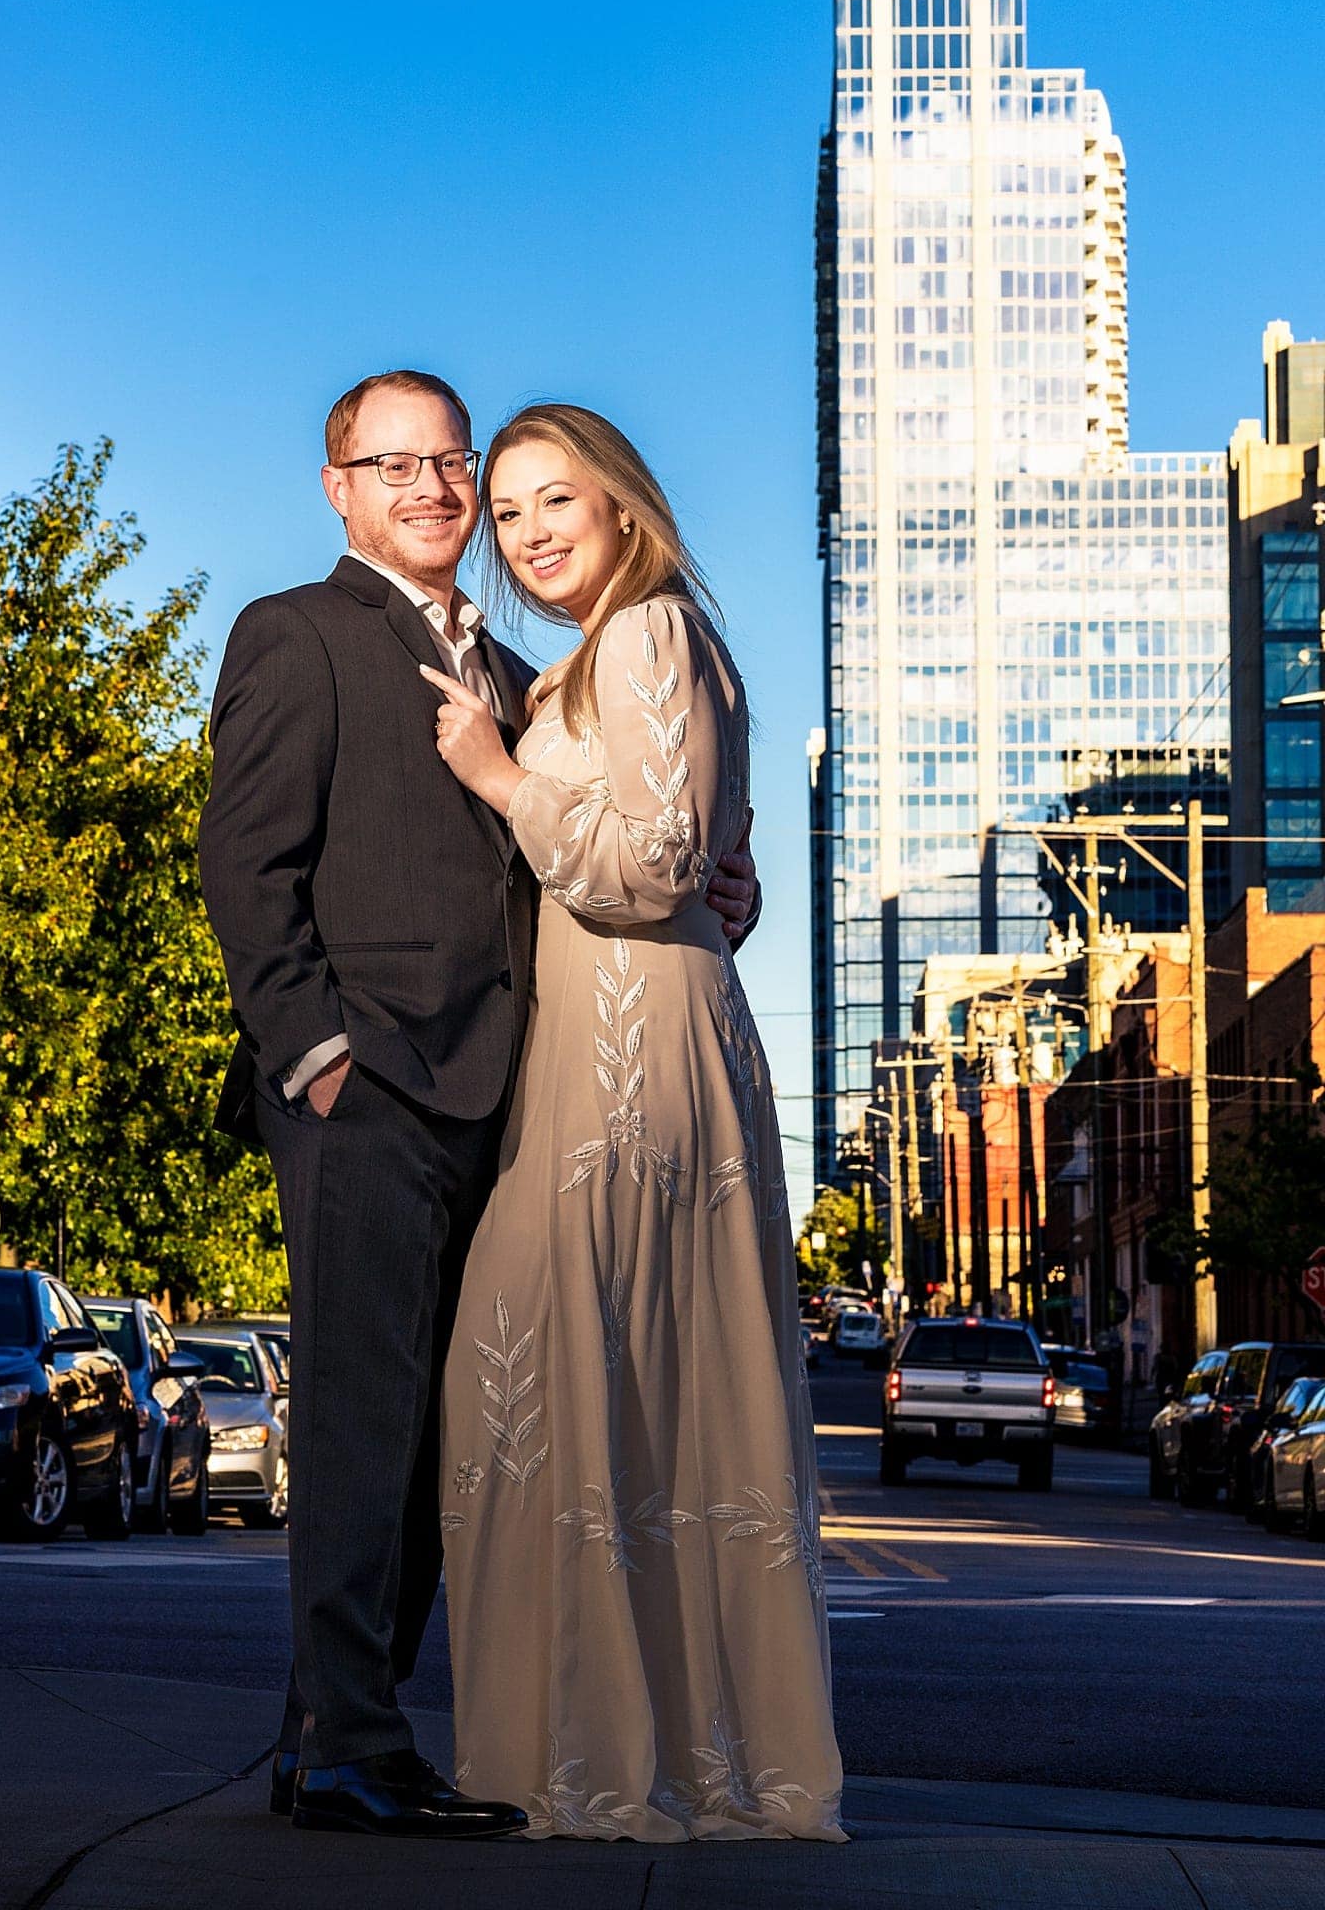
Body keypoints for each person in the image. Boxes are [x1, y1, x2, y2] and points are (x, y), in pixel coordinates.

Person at [198, 370, 759, 1839]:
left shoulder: (517, 678)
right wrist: (314, 1053)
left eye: (454, 463)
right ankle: (347, 1746)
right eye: (400, 467)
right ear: (340, 488)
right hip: (367, 1090)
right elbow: (245, 871)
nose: (439, 492)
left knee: (439, 1440)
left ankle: (337, 1732)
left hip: (509, 1108)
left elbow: (582, 860)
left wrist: (712, 897)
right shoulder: (298, 635)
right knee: (357, 1419)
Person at [426, 403, 846, 1844]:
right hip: (622, 1043)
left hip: (634, 1063)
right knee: (614, 1394)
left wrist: (494, 774)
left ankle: (610, 1757)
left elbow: (659, 863)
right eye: (509, 510)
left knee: (552, 1375)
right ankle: (629, 1742)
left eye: (557, 500)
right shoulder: (610, 657)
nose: (530, 531)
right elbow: (712, 853)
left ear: (623, 505)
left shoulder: (652, 632)